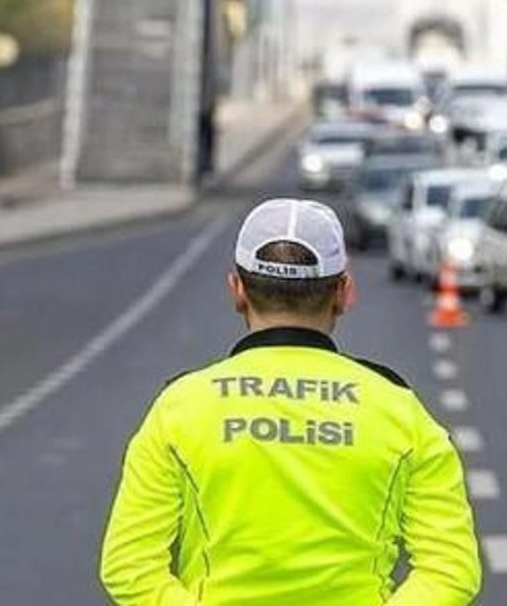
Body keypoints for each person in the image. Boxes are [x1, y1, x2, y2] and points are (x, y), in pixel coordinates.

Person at [100, 198, 482, 605]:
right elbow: (451, 569)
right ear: (344, 292)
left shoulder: (180, 408)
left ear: (237, 290)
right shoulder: (399, 410)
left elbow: (128, 565)